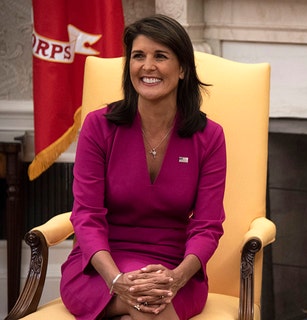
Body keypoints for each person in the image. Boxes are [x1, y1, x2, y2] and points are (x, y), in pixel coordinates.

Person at [60, 14, 226, 319]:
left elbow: (208, 226)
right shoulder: (99, 127)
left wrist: (177, 277)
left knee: (148, 302)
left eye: (160, 56)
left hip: (175, 270)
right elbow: (87, 216)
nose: (147, 66)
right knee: (148, 306)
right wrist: (116, 280)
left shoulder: (209, 136)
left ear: (183, 70)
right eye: (138, 56)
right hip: (99, 269)